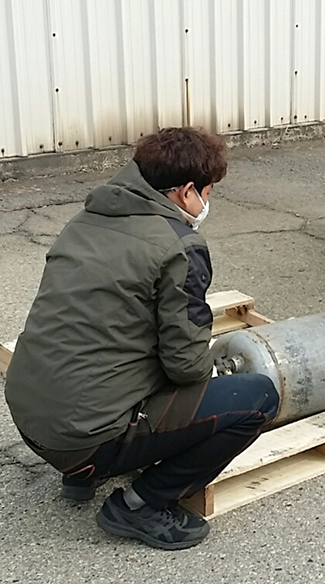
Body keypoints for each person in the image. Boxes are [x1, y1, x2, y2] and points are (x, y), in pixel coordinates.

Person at [4, 127, 280, 550]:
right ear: (187, 191)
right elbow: (186, 365)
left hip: (28, 413)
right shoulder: (179, 245)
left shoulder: (85, 220)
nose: (207, 202)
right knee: (257, 397)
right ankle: (139, 505)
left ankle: (79, 475)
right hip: (83, 434)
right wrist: (213, 367)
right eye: (207, 191)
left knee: (109, 347)